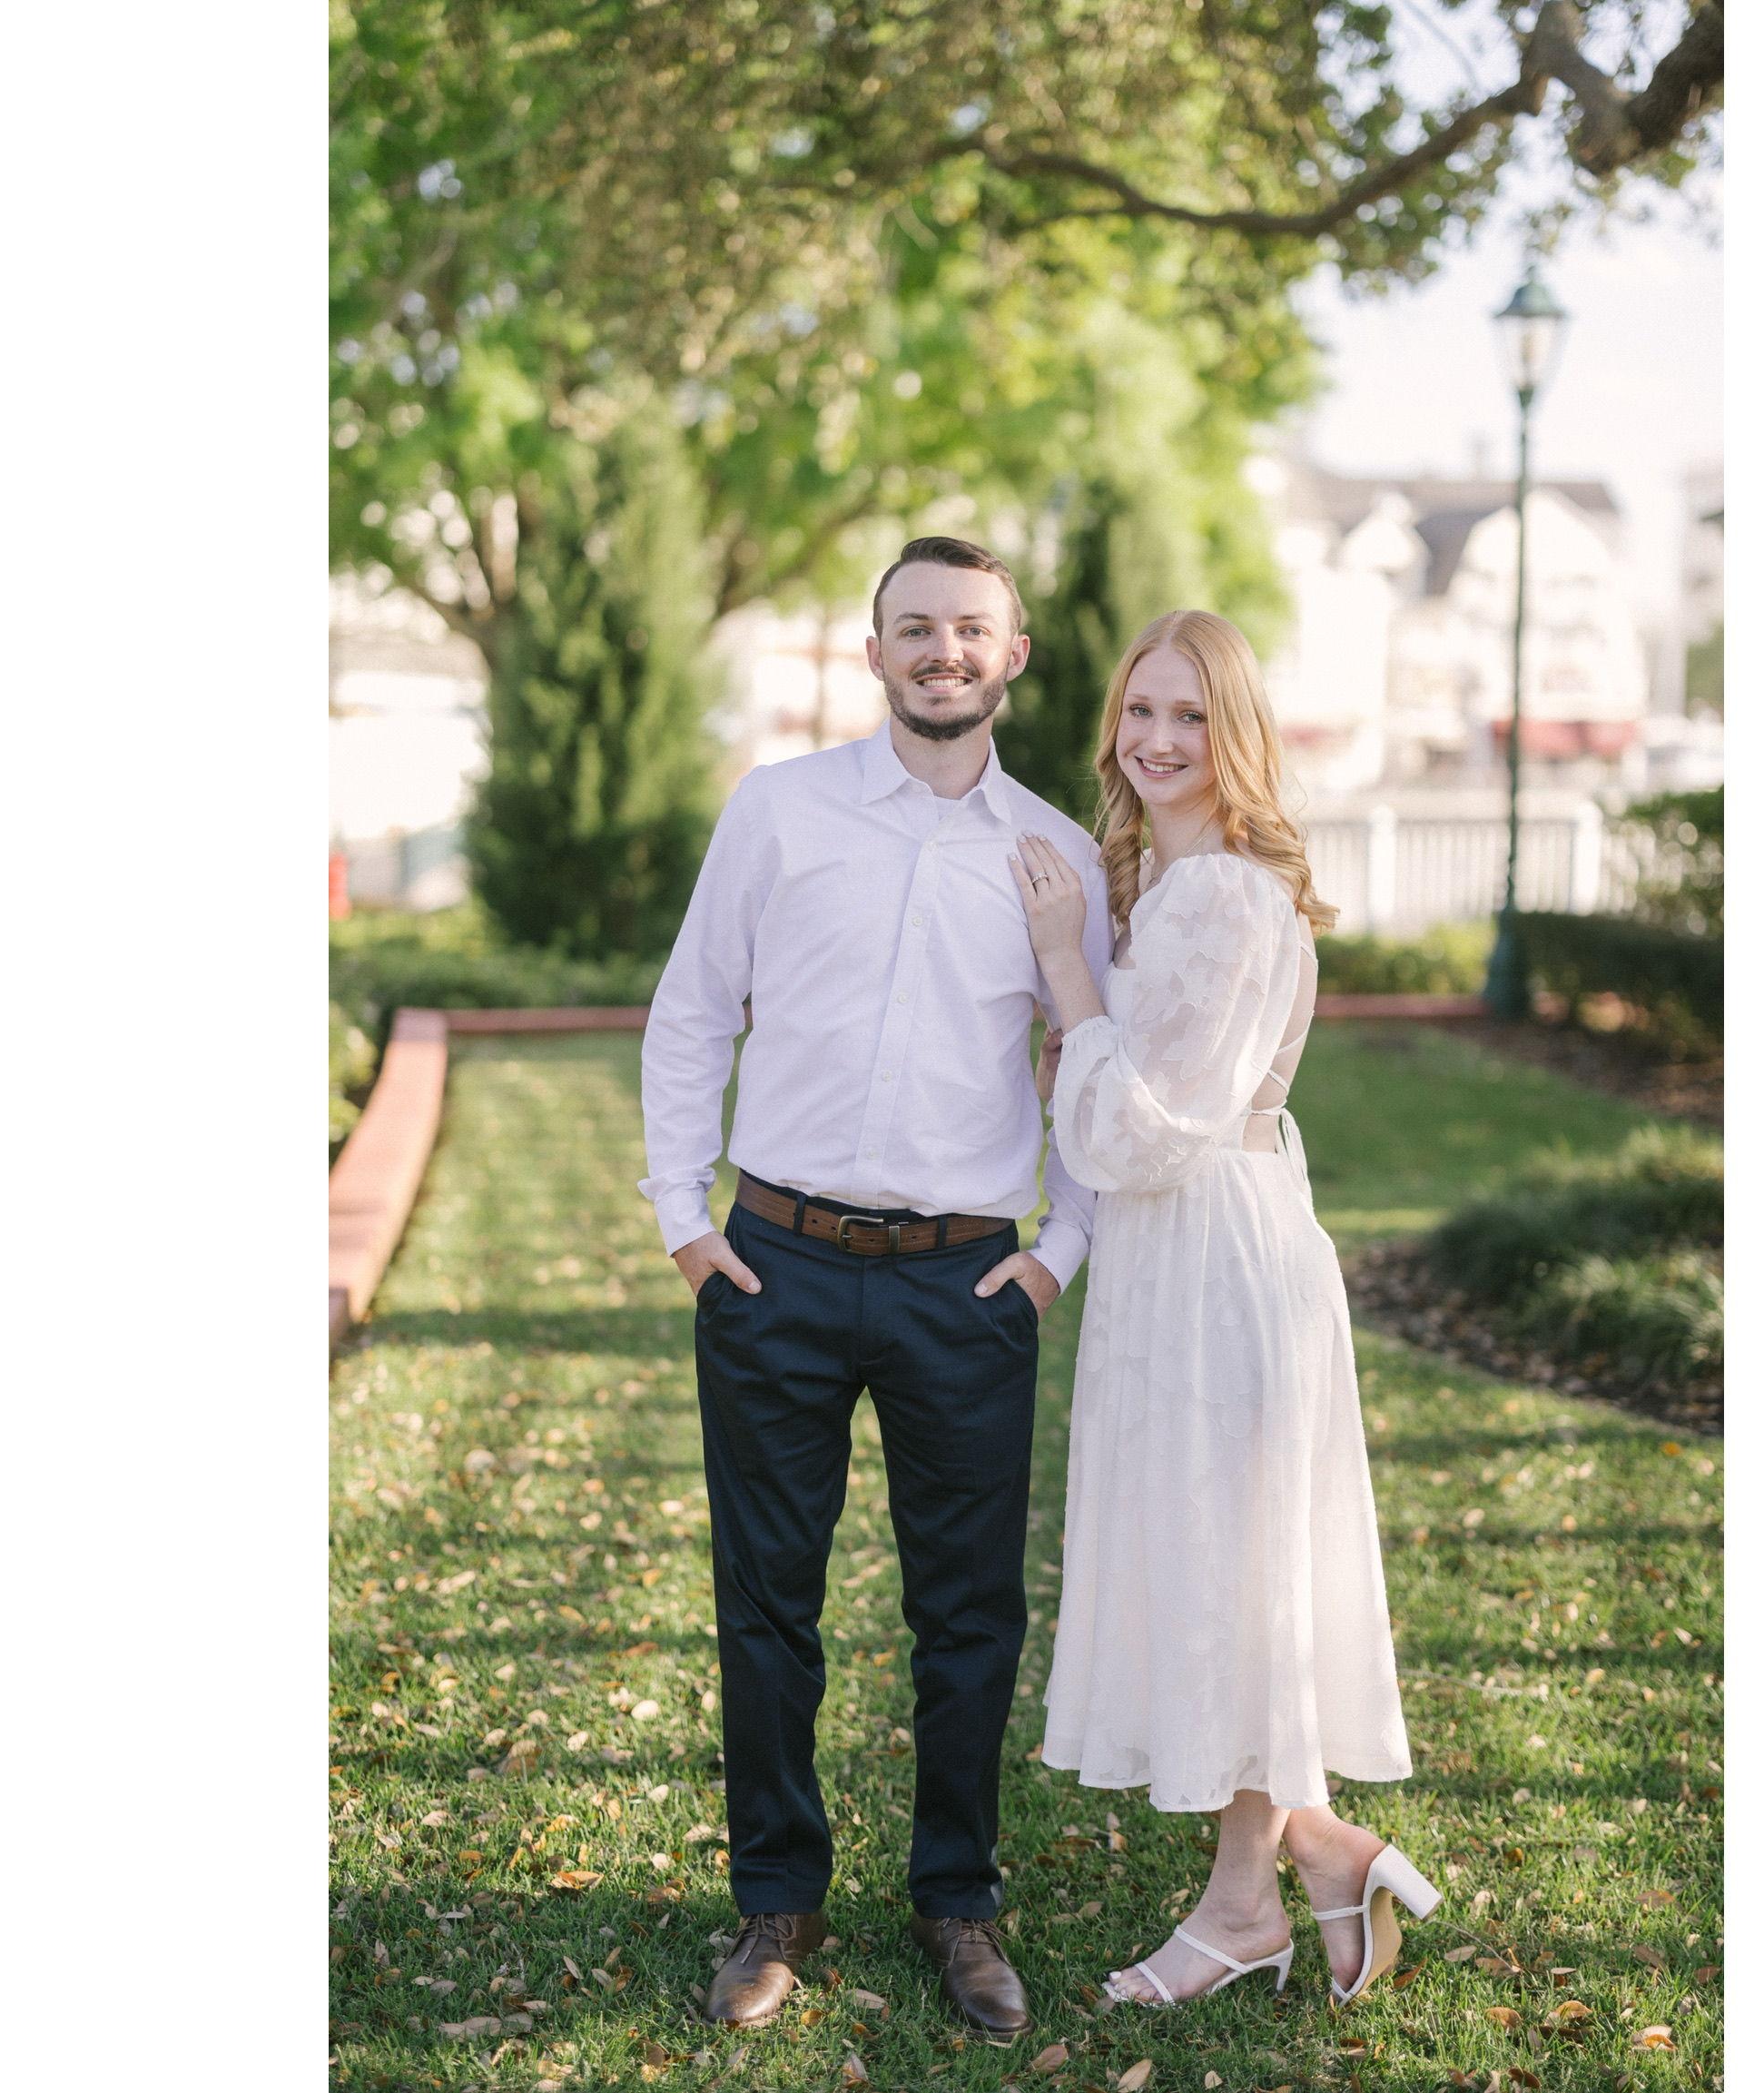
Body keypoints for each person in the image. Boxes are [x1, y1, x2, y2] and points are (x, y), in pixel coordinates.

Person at [639, 537, 1112, 2040]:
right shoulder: (779, 812)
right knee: (765, 1603)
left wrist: (1059, 1251)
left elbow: (1092, 1068)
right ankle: (776, 1897)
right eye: (915, 628)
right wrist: (682, 1220)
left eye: (970, 629)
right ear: (875, 650)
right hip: (771, 1264)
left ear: (1013, 652)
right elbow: (692, 1010)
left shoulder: (1057, 859)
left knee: (965, 1612)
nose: (942, 652)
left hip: (962, 1287)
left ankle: (957, 1900)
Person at [1010, 608, 1440, 2010]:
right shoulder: (1182, 883)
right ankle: (1320, 1853)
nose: (1155, 741)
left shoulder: (1217, 896)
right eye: (1139, 712)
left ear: (1235, 732)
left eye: (1189, 716)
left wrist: (1069, 968)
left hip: (1211, 1259)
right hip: (1196, 1251)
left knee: (1230, 1571)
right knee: (1220, 1566)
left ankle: (1245, 1899)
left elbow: (1138, 1134)